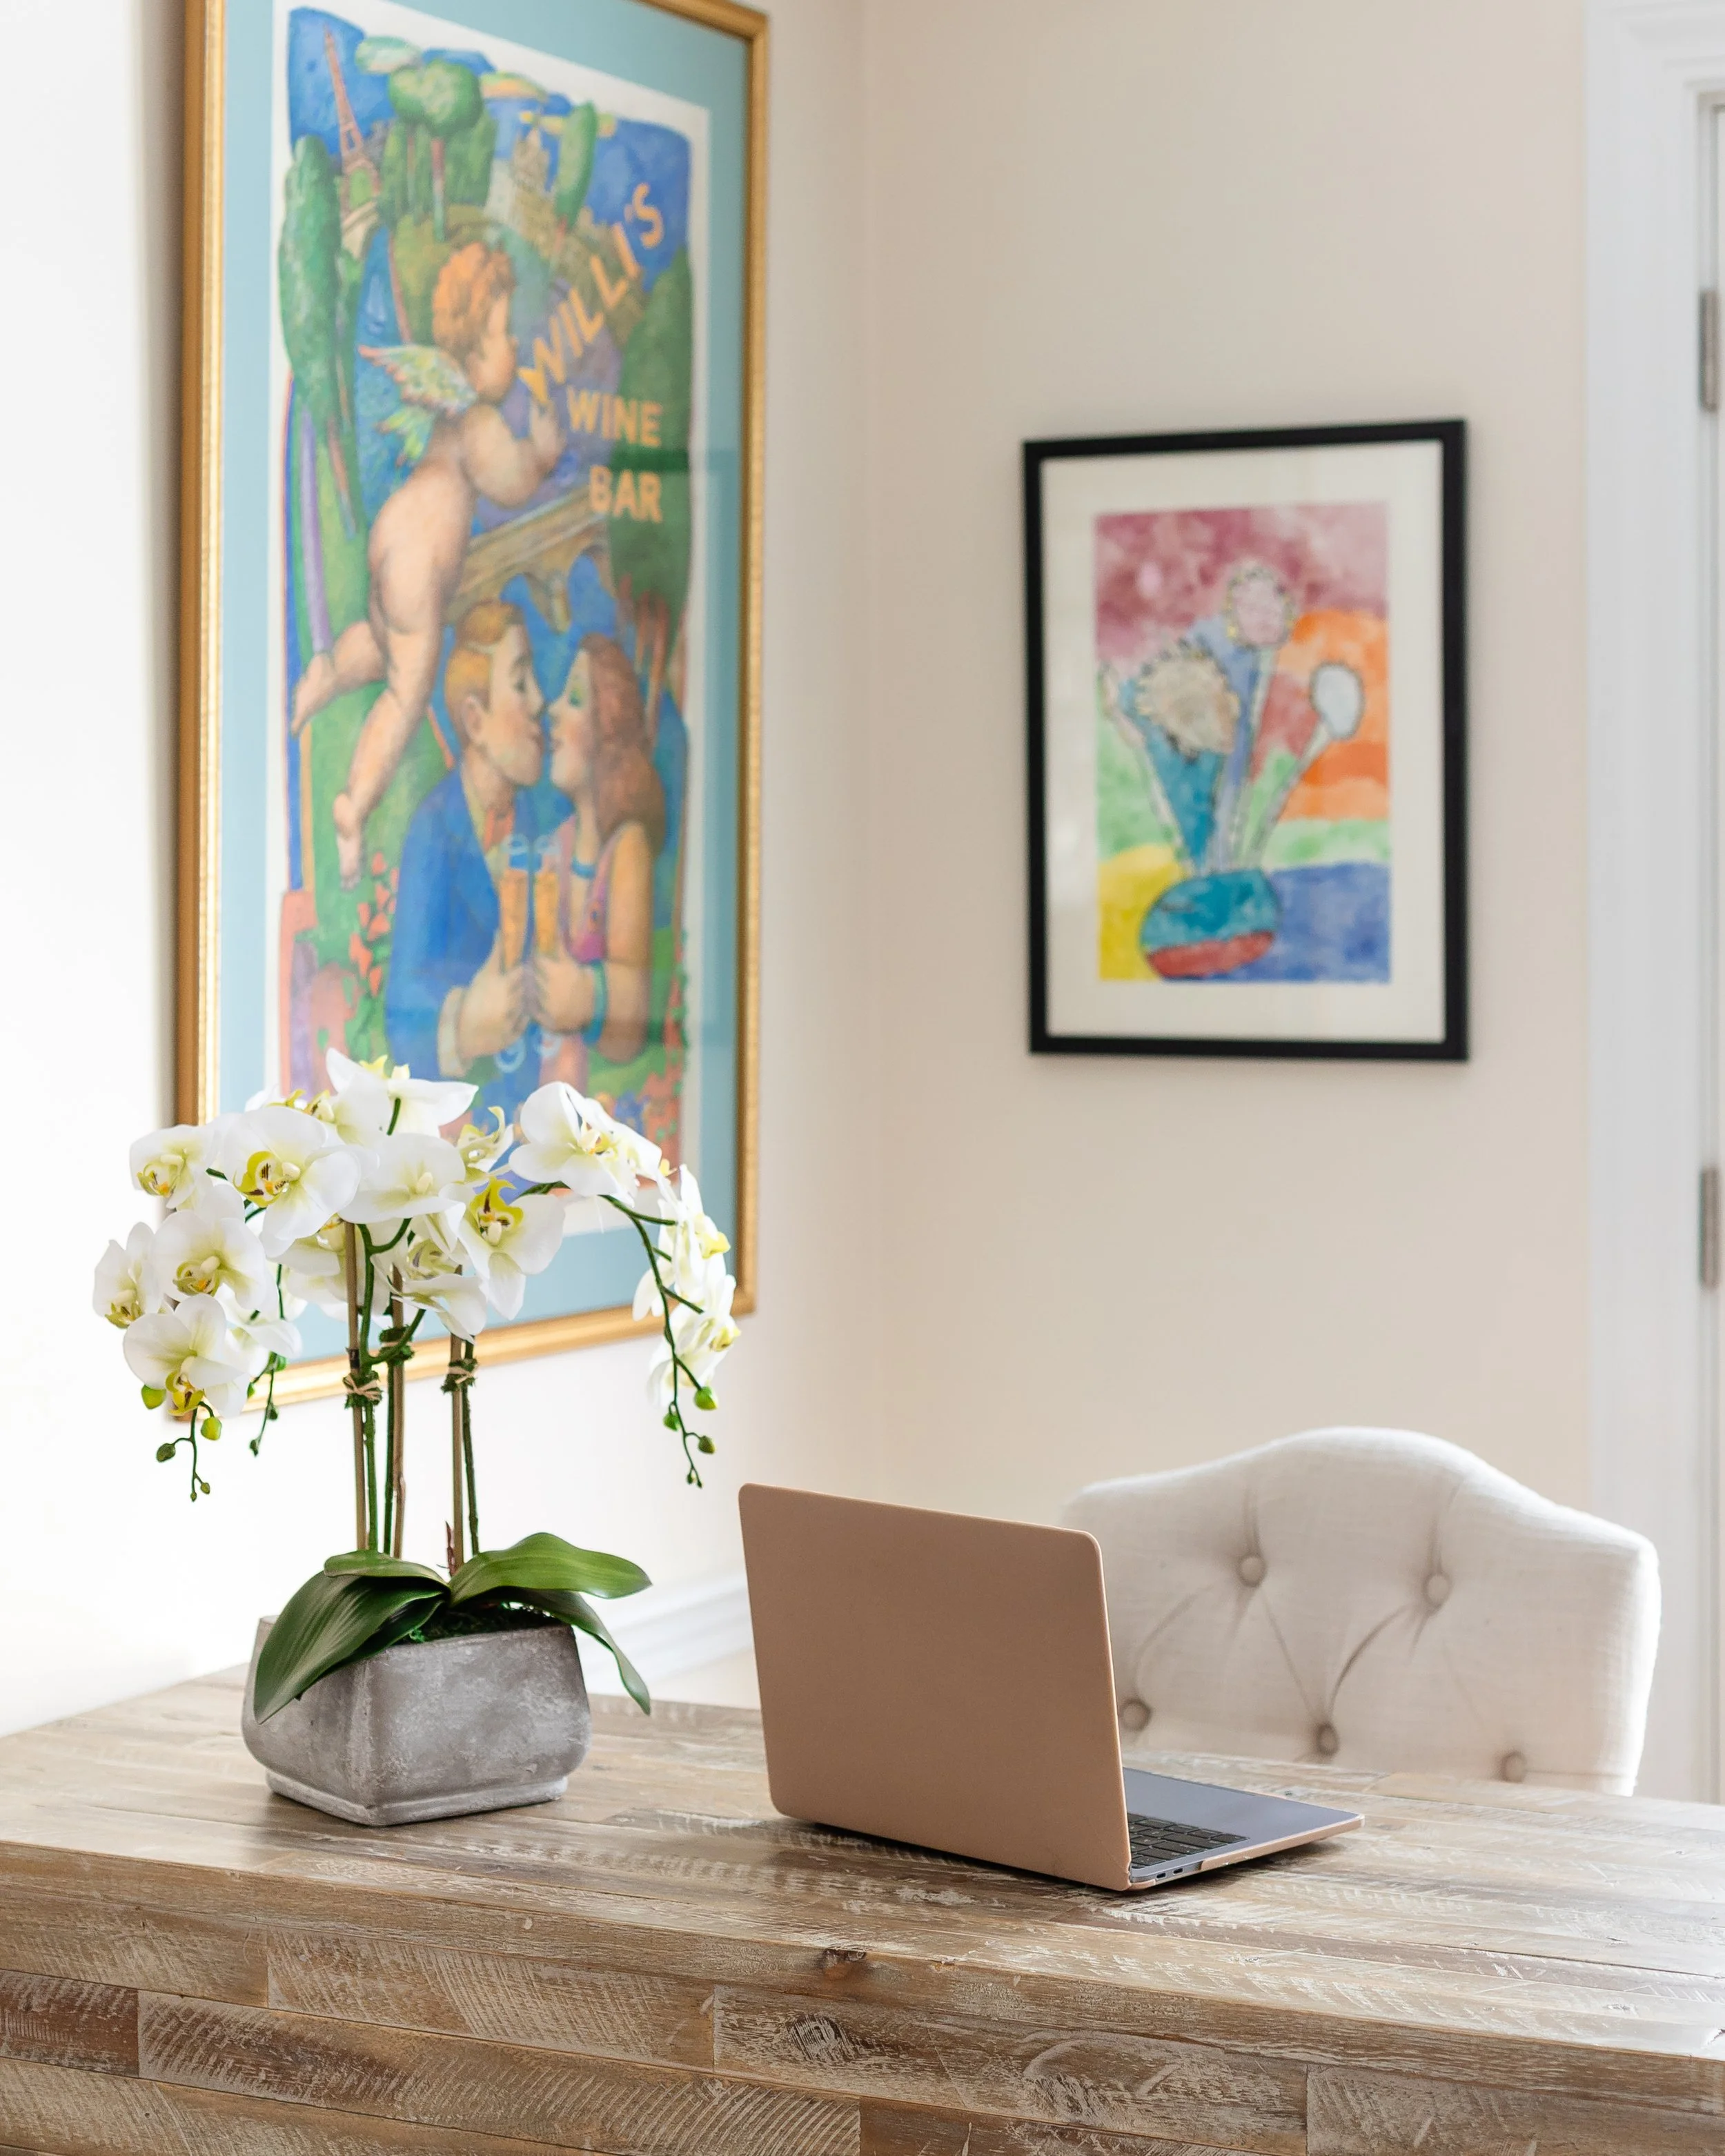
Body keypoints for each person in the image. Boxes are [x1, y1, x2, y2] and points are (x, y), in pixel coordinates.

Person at [293, 244, 566, 887]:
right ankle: (354, 807)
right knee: (405, 693)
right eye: (504, 333)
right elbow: (511, 483)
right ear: (472, 353)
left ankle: (329, 673)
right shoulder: (477, 424)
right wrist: (541, 456)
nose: (515, 347)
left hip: (394, 538)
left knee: (385, 639)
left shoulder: (444, 415)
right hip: (417, 567)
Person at [387, 601, 548, 1125]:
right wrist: (462, 1024)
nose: (540, 702)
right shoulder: (434, 829)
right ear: (475, 720)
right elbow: (401, 1003)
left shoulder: (530, 820)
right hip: (458, 1128)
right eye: (521, 684)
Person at [532, 635, 666, 1087]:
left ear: (606, 727)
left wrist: (585, 995)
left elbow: (633, 1011)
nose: (553, 710)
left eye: (573, 700)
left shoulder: (627, 847)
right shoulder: (555, 848)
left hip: (605, 1101)